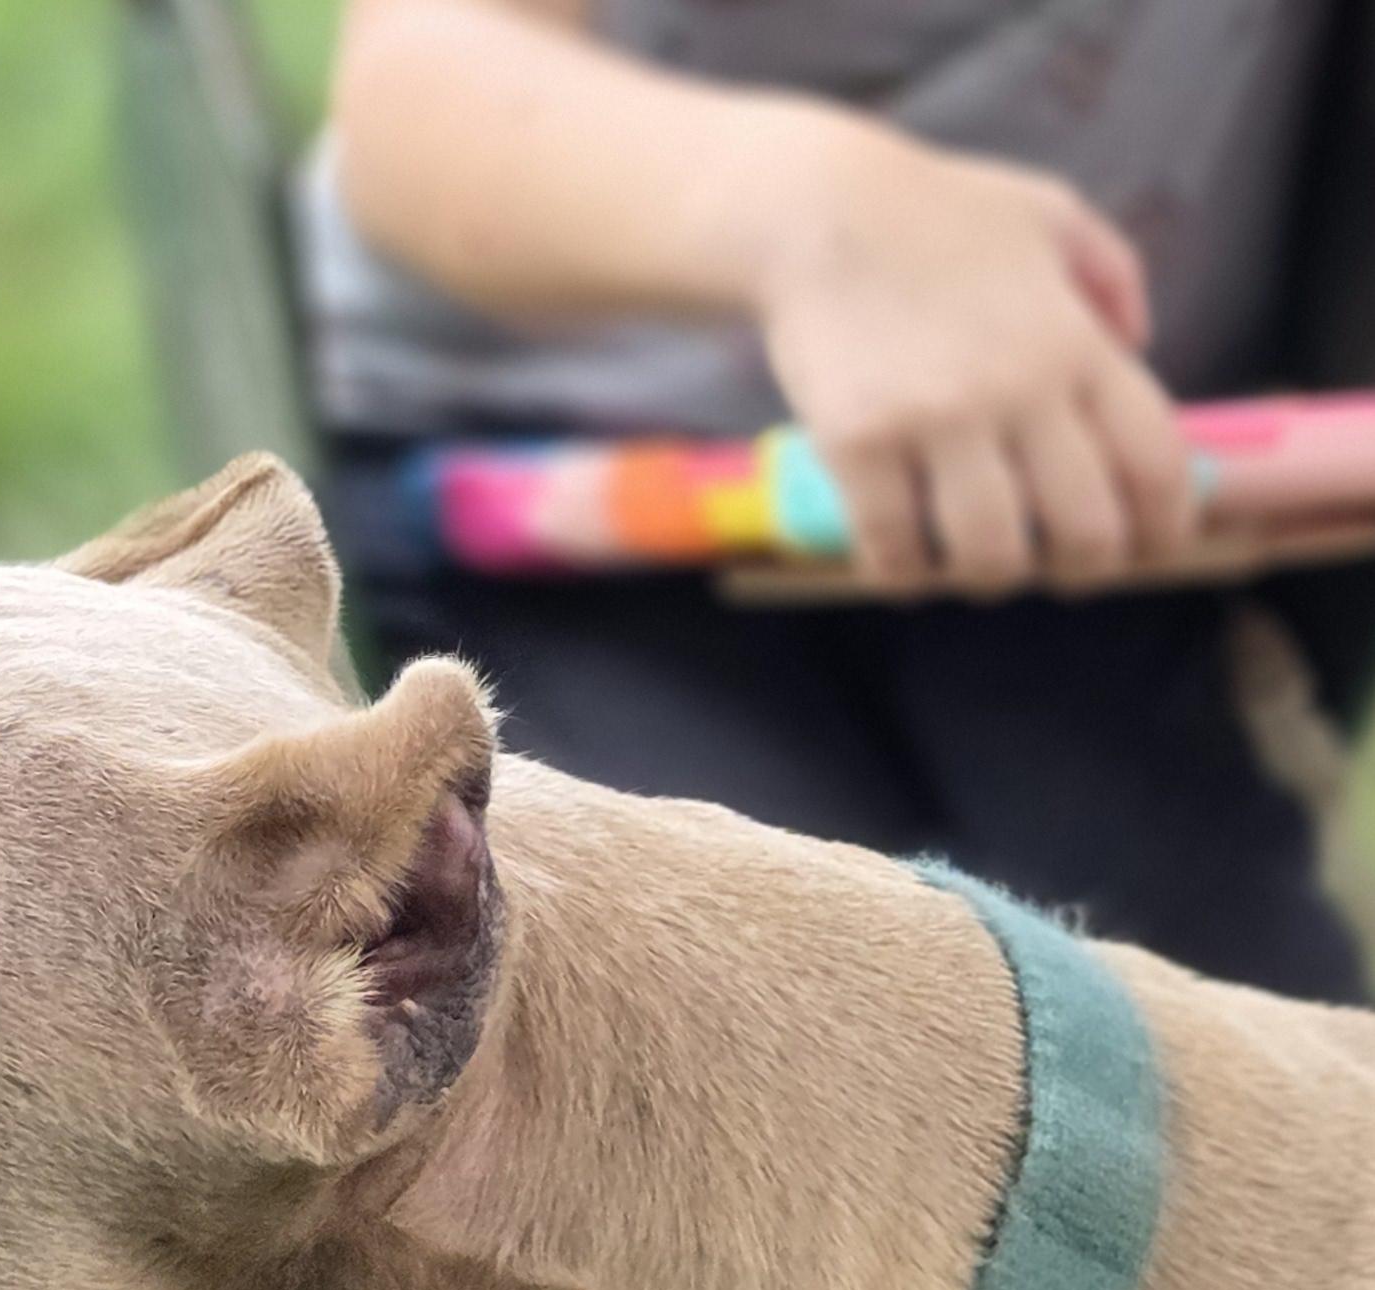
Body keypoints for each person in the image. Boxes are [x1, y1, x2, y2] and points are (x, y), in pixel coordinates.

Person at [304, 0, 1375, 1004]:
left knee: (1238, 1062)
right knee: (736, 1028)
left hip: (1088, 531)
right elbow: (423, 83)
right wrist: (811, 206)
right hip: (555, 504)